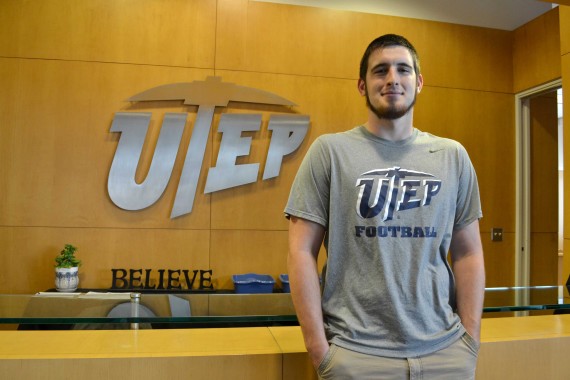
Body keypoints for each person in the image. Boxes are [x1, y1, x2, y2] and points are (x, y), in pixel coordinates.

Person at [284, 34, 485, 379]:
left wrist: (469, 339)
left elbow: (468, 253)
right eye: (381, 71)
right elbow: (300, 251)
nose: (392, 78)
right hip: (357, 355)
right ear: (362, 85)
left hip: (446, 354)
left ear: (418, 82)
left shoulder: (453, 157)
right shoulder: (330, 152)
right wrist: (320, 350)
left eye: (403, 69)